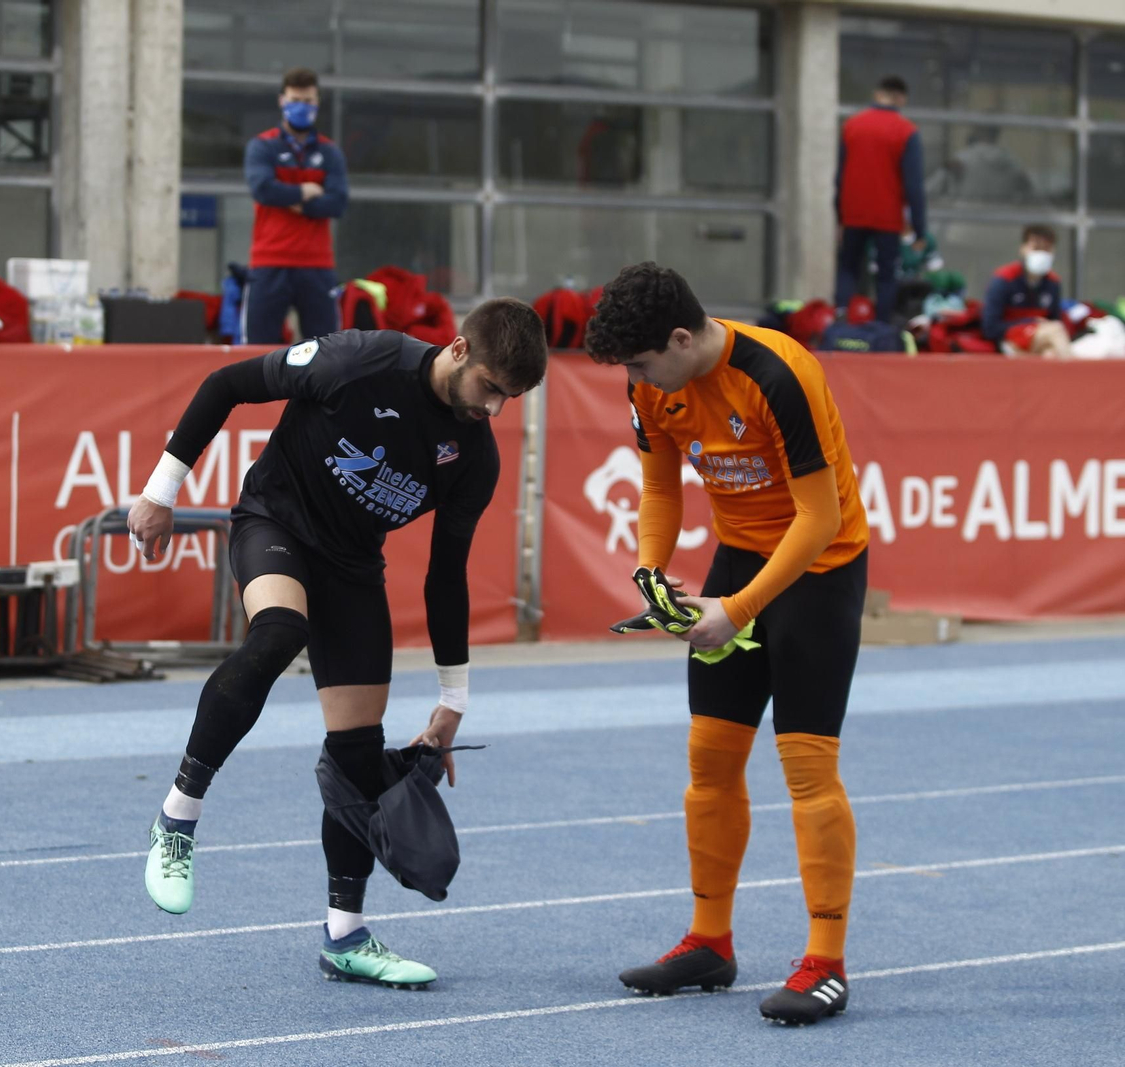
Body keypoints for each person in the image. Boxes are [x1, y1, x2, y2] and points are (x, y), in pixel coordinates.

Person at [126, 300, 548, 988]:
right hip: (275, 522)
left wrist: (454, 698)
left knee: (356, 753)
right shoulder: (359, 360)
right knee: (280, 631)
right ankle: (179, 814)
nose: (495, 408)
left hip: (352, 569)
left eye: (512, 398)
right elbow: (227, 384)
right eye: (491, 387)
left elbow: (447, 577)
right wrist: (160, 490)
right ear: (459, 350)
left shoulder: (474, 456)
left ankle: (345, 935)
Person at [585, 263, 870, 1027]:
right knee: (709, 760)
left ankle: (826, 961)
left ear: (682, 338)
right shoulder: (651, 386)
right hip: (739, 561)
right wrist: (650, 570)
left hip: (818, 569)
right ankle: (710, 940)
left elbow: (819, 518)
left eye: (642, 363)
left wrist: (736, 611)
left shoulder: (779, 374)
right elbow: (659, 489)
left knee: (807, 767)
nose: (636, 379)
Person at [241, 67, 348, 345]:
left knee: (328, 352)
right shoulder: (262, 146)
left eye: (308, 101)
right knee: (257, 352)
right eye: (295, 100)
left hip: (317, 264)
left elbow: (337, 203)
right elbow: (263, 190)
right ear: (282, 101)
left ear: (317, 102)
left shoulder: (329, 152)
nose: (302, 107)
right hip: (269, 262)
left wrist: (293, 202)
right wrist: (305, 191)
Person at [835, 75, 927, 323]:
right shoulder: (906, 131)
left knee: (848, 267)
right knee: (886, 274)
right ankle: (882, 326)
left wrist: (840, 217)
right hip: (887, 216)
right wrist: (919, 229)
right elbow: (914, 185)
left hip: (853, 212)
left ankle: (841, 317)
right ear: (901, 98)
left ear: (877, 94)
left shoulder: (852, 126)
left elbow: (840, 176)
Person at [982, 224, 1064, 353]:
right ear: (1023, 249)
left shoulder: (1053, 282)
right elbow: (990, 328)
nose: (1041, 254)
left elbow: (1054, 319)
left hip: (1040, 340)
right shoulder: (1004, 279)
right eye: (1036, 248)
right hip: (1010, 340)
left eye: (1046, 249)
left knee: (1051, 353)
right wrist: (1030, 323)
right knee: (1055, 331)